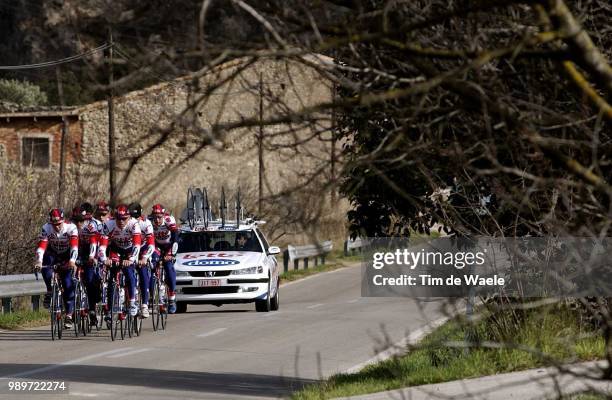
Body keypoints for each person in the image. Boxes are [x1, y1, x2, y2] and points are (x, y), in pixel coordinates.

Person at [34, 208, 79, 329]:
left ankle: (69, 315)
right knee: (45, 267)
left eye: (59, 224)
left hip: (66, 256)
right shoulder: (46, 228)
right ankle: (49, 291)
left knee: (68, 283)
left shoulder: (71, 228)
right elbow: (41, 247)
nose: (57, 227)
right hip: (52, 254)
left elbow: (75, 247)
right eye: (54, 224)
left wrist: (72, 261)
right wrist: (38, 261)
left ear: (63, 221)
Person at [98, 204, 142, 318]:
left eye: (124, 219)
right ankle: (110, 309)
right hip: (116, 250)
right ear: (114, 218)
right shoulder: (109, 224)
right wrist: (104, 259)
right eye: (118, 219)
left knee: (129, 272)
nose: (121, 221)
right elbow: (102, 247)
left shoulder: (134, 224)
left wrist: (131, 259)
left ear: (129, 217)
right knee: (112, 277)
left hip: (130, 251)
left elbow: (137, 245)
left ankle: (132, 302)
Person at [74, 203, 103, 326]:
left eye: (82, 221)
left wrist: (92, 257)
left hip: (92, 250)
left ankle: (92, 308)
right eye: (77, 221)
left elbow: (94, 244)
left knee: (91, 280)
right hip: (77, 250)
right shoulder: (71, 226)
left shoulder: (93, 225)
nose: (79, 224)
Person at [150, 204, 178, 313]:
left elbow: (175, 236)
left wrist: (172, 254)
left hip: (168, 246)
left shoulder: (169, 220)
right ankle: (152, 294)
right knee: (152, 262)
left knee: (169, 267)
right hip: (156, 246)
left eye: (159, 217)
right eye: (155, 217)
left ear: (163, 215)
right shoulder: (149, 221)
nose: (157, 220)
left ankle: (171, 298)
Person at [129, 202, 155, 318]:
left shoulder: (146, 223)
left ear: (140, 216)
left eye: (136, 218)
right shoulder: (127, 223)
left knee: (143, 272)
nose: (134, 220)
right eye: (132, 217)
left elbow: (151, 245)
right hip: (130, 249)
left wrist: (145, 258)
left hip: (143, 249)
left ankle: (144, 305)